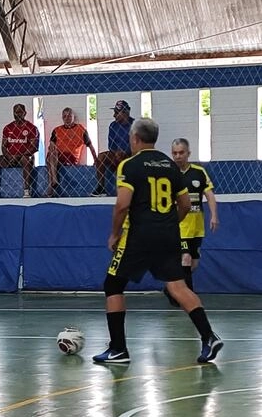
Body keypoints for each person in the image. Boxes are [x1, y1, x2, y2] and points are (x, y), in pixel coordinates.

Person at [95, 118, 223, 365]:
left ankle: (118, 349)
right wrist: (167, 223)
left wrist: (114, 233)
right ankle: (208, 336)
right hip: (169, 234)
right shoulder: (170, 165)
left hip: (139, 235)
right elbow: (185, 205)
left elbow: (122, 205)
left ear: (134, 138)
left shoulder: (128, 166)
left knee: (113, 285)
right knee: (178, 287)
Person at [171, 137, 218, 292]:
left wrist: (214, 215)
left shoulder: (198, 172)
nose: (178, 156)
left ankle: (172, 287)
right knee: (185, 258)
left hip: (196, 226)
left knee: (193, 263)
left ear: (188, 153)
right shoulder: (168, 174)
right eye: (175, 153)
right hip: (179, 225)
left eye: (181, 153)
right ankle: (187, 297)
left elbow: (209, 194)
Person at [0, 104, 39, 198]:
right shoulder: (8, 128)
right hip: (9, 158)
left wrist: (18, 155)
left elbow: (34, 147)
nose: (17, 114)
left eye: (19, 112)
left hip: (24, 157)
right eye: (15, 112)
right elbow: (3, 146)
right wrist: (8, 156)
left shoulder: (32, 128)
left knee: (26, 159)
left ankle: (27, 191)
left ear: (24, 113)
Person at [47, 107, 97, 197]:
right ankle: (54, 181)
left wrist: (95, 159)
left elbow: (90, 146)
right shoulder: (56, 130)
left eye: (69, 116)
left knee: (50, 160)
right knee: (50, 154)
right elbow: (51, 145)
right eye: (65, 116)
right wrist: (52, 148)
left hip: (71, 157)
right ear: (62, 118)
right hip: (58, 156)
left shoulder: (80, 129)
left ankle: (52, 185)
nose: (67, 118)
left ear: (74, 117)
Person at [94, 100, 133, 195]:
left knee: (122, 155)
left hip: (130, 156)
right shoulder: (113, 126)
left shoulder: (134, 125)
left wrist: (124, 152)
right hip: (116, 155)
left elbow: (137, 145)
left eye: (116, 112)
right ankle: (101, 187)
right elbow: (111, 145)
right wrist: (116, 153)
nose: (114, 115)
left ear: (125, 113)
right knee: (101, 156)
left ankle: (124, 187)